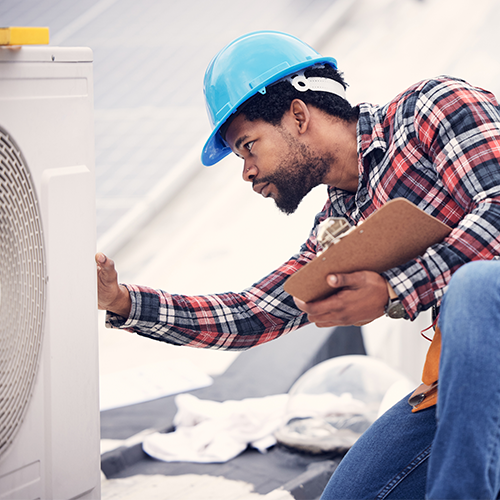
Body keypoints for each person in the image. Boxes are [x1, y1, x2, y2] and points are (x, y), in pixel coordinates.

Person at [96, 31, 500, 498]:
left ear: (299, 116)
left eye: (247, 146)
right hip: (470, 381)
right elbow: (254, 313)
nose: (246, 171)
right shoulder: (341, 222)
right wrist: (123, 302)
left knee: (475, 287)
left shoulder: (432, 108)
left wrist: (392, 288)